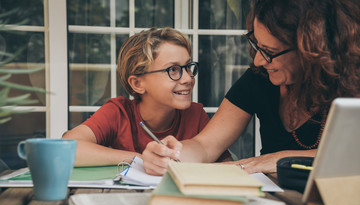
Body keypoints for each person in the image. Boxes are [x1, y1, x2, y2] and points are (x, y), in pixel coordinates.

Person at [141, 0, 360, 175]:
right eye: (257, 46)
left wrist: (271, 160)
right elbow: (206, 145)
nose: (258, 61)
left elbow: (352, 156)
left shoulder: (352, 84)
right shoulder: (259, 78)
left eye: (270, 51)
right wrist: (172, 154)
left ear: (313, 49)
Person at [63, 27, 231, 166]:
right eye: (173, 70)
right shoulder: (118, 113)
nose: (188, 78)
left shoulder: (195, 115)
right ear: (137, 84)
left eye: (188, 67)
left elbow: (226, 166)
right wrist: (141, 159)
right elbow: (67, 148)